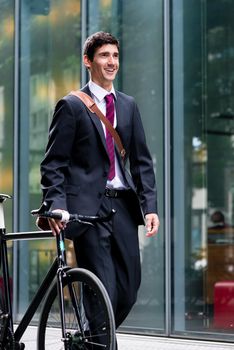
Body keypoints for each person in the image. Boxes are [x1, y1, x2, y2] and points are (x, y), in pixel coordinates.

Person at [39, 31, 160, 340]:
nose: (111, 62)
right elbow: (54, 162)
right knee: (101, 286)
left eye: (115, 56)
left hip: (121, 206)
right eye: (104, 56)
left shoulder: (128, 105)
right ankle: (100, 343)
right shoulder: (72, 105)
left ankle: (91, 339)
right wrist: (56, 204)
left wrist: (149, 207)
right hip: (87, 210)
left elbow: (142, 161)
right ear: (88, 61)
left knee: (129, 288)